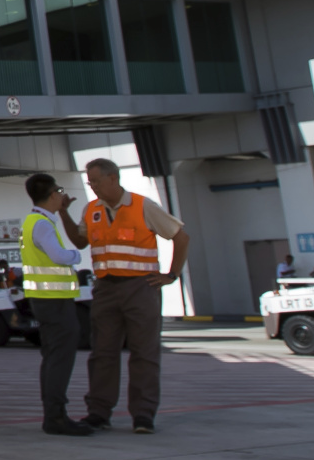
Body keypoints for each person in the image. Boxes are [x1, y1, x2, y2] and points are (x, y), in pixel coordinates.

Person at [72, 157, 192, 435]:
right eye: (90, 183)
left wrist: (172, 275)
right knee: (103, 353)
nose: (93, 187)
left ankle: (143, 415)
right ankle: (98, 413)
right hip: (105, 289)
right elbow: (80, 241)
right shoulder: (91, 210)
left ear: (113, 179)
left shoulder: (143, 206)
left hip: (140, 287)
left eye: (97, 182)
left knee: (144, 352)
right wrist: (64, 215)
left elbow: (181, 237)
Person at [21, 174, 91, 436]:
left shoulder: (33, 221)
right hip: (55, 302)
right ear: (52, 195)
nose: (63, 195)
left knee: (52, 358)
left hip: (45, 301)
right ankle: (56, 417)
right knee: (60, 359)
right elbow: (59, 255)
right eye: (60, 191)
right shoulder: (42, 225)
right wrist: (77, 254)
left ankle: (54, 414)